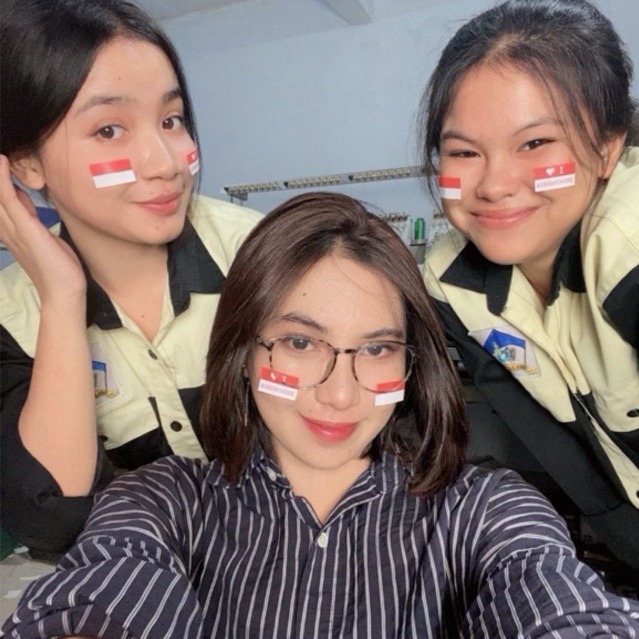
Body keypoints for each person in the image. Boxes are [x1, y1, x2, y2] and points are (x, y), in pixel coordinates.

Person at [4, 192, 639, 638]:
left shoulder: (483, 509)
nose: (340, 395)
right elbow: (103, 596)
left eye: (378, 349)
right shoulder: (163, 503)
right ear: (243, 352)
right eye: (301, 342)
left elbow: (554, 598)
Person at [0, 0, 262, 553]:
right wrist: (62, 297)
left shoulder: (262, 253)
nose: (165, 163)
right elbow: (52, 519)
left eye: (171, 120)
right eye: (109, 129)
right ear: (26, 165)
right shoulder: (10, 319)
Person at [419, 0, 639, 575]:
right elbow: (556, 445)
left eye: (536, 144)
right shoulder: (450, 282)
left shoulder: (629, 238)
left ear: (608, 147)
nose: (494, 184)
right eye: (463, 152)